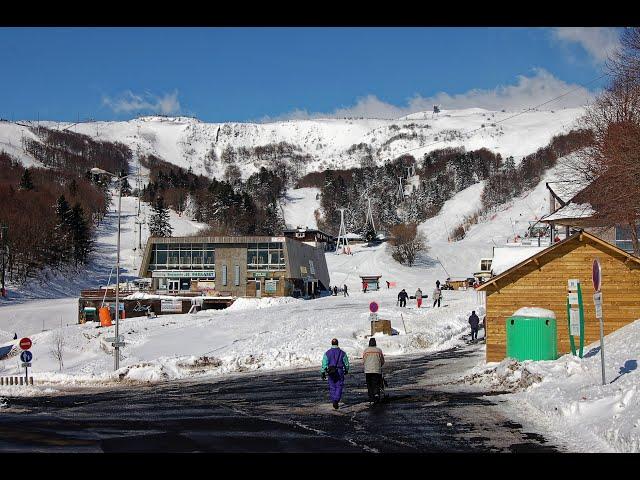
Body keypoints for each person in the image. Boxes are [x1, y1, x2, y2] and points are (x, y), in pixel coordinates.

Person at [321, 338, 350, 409]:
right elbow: (346, 363)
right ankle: (336, 400)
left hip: (331, 371)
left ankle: (334, 399)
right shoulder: (342, 353)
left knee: (332, 386)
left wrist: (323, 372)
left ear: (331, 344)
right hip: (339, 371)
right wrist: (346, 370)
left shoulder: (327, 353)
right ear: (337, 344)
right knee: (339, 386)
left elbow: (324, 363)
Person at [362, 337, 385, 403]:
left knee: (369, 384)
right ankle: (376, 394)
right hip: (377, 370)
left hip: (368, 370)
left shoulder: (366, 351)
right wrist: (380, 365)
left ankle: (371, 397)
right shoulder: (379, 350)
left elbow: (364, 360)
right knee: (376, 383)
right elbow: (382, 360)